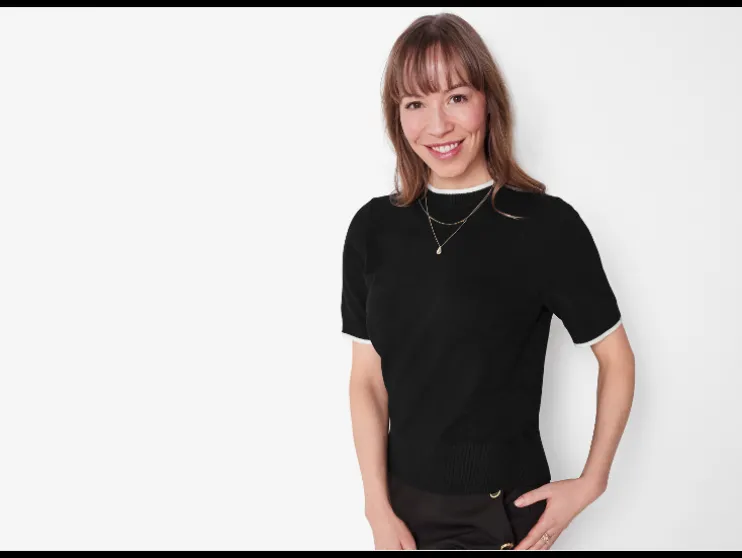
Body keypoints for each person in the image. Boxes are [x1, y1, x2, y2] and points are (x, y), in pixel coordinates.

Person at [341, 12, 635, 551]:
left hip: (500, 513)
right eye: (414, 104)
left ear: (488, 101)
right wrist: (376, 508)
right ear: (396, 117)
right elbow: (366, 379)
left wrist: (592, 481)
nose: (437, 126)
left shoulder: (545, 225)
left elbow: (615, 357)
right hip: (401, 514)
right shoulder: (372, 228)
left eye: (456, 97)